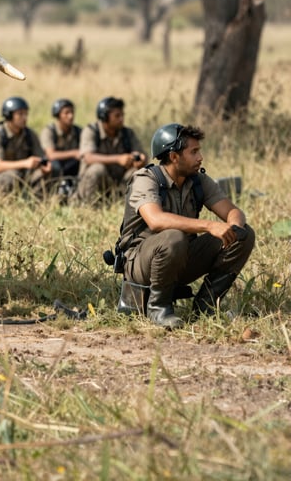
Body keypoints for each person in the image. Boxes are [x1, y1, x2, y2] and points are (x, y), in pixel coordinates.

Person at [118, 123, 255, 328]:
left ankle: (208, 304)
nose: (200, 157)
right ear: (174, 156)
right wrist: (209, 226)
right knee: (174, 236)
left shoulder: (197, 180)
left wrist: (234, 227)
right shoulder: (145, 179)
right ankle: (158, 308)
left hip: (179, 256)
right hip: (140, 263)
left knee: (244, 234)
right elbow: (156, 220)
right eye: (194, 152)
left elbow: (233, 211)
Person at [76, 96, 146, 203]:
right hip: (92, 185)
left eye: (122, 115)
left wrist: (140, 160)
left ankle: (131, 204)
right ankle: (90, 205)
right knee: (97, 169)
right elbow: (88, 157)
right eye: (117, 116)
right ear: (104, 117)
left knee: (139, 172)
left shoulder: (127, 133)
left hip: (119, 186)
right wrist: (118, 159)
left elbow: (142, 154)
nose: (121, 119)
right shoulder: (91, 131)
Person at [0, 96, 51, 196]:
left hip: (24, 176)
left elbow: (40, 157)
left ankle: (37, 200)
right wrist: (25, 163)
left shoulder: (30, 135)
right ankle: (1, 200)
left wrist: (45, 166)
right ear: (9, 116)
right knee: (12, 175)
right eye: (20, 114)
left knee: (49, 171)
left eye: (26, 114)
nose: (25, 118)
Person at [40, 98, 82, 181]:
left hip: (72, 165)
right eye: (66, 113)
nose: (71, 116)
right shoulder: (49, 131)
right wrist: (73, 153)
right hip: (56, 166)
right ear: (58, 115)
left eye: (72, 112)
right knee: (54, 165)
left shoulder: (78, 131)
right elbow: (50, 155)